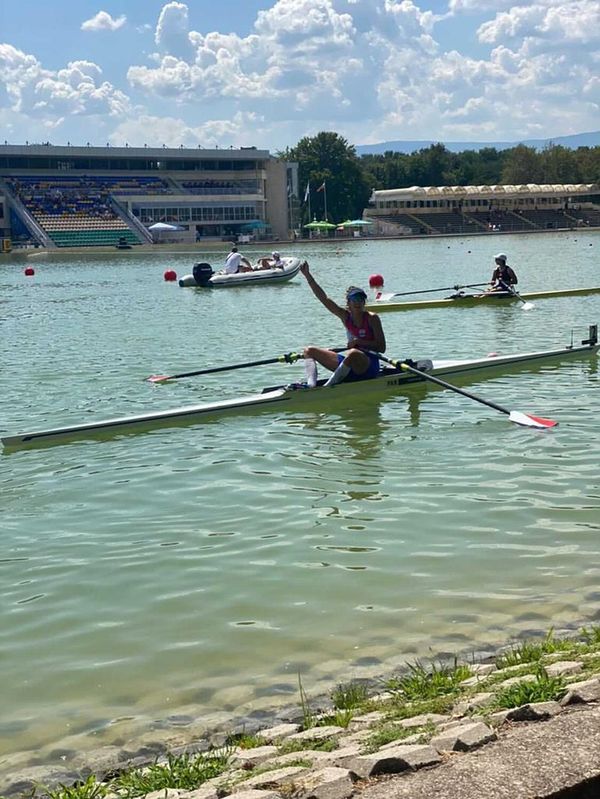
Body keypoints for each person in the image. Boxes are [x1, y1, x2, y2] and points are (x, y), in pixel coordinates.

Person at [298, 261, 386, 387]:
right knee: (309, 350)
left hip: (368, 366)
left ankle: (328, 387)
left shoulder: (372, 318)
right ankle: (311, 386)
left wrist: (359, 343)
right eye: (355, 299)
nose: (358, 302)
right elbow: (323, 298)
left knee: (353, 353)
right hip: (350, 364)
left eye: (361, 299)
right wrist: (307, 275)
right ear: (348, 303)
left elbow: (381, 347)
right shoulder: (345, 316)